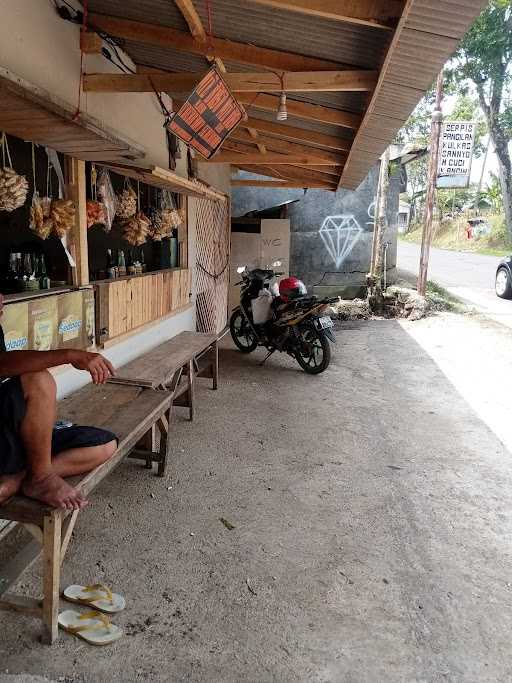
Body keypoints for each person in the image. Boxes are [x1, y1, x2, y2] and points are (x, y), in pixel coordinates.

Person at [0, 293, 117, 510]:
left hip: (14, 440)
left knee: (105, 446)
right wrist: (70, 355)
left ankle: (20, 479)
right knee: (39, 380)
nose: (2, 299)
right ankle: (41, 477)